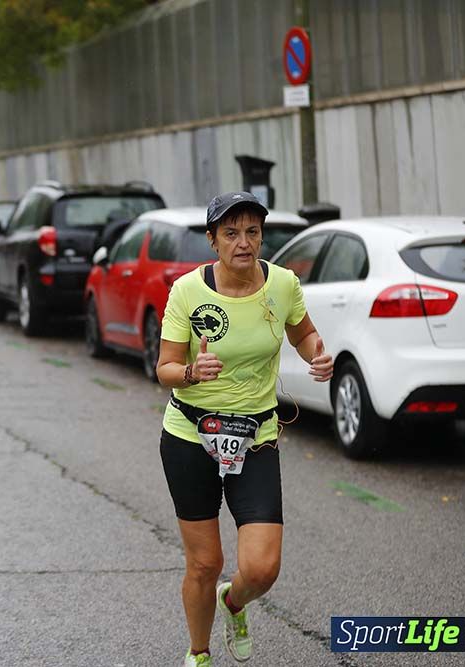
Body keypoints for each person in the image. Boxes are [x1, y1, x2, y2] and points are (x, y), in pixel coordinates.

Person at [155, 192, 334, 667]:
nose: (244, 242)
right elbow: (165, 368)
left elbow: (303, 333)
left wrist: (319, 353)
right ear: (212, 240)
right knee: (205, 563)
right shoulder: (188, 291)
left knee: (261, 567)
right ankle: (199, 654)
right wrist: (194, 372)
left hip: (255, 437)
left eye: (252, 232)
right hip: (191, 436)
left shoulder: (283, 284)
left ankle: (232, 603)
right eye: (231, 233)